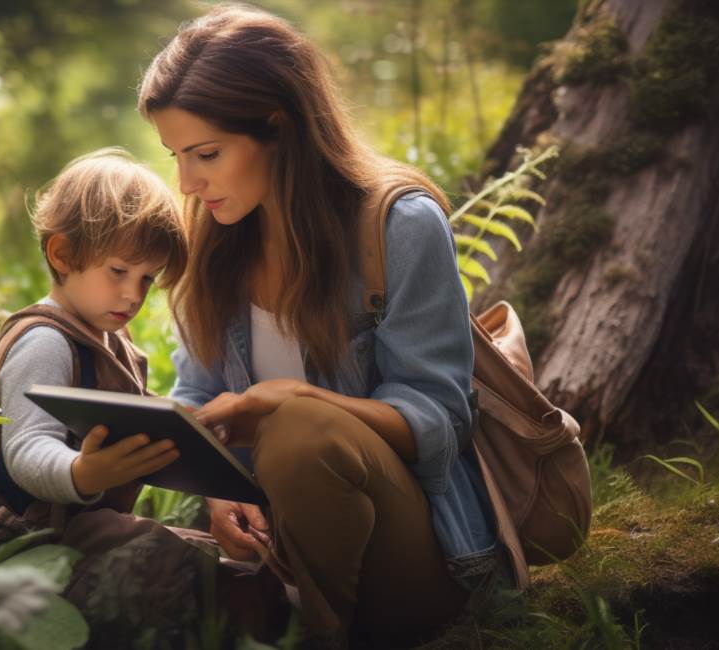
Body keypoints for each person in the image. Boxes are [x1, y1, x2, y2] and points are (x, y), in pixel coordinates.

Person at [138, 3, 504, 645]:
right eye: (175, 156)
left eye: (206, 154)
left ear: (278, 126)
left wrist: (302, 399)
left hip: (409, 553)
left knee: (300, 431)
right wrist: (219, 490)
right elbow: (196, 394)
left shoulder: (398, 226)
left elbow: (440, 421)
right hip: (269, 547)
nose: (187, 183)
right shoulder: (216, 236)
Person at [0, 147, 292, 646]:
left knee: (186, 549)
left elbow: (155, 430)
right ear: (62, 254)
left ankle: (262, 604)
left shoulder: (109, 339)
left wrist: (216, 486)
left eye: (146, 280)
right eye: (119, 272)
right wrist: (83, 473)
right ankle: (245, 616)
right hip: (17, 546)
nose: (133, 295)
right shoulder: (45, 340)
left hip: (78, 531)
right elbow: (27, 449)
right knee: (162, 563)